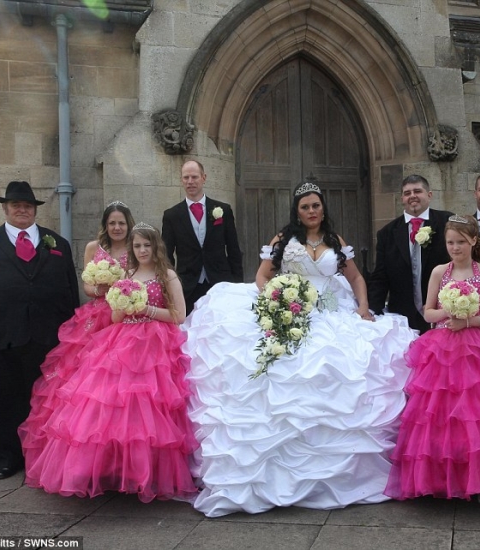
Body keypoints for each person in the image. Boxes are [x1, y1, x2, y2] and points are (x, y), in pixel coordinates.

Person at [184, 181, 418, 517]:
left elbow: (355, 279)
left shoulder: (336, 242)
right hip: (291, 307)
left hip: (331, 310)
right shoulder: (284, 239)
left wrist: (364, 308)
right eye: (305, 206)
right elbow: (263, 276)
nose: (312, 211)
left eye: (316, 206)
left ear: (324, 208)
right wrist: (277, 300)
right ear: (297, 211)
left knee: (340, 369)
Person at [18, 223, 198, 502]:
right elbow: (115, 317)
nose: (142, 250)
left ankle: (145, 472)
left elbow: (179, 315)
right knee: (108, 405)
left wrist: (146, 308)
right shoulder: (127, 274)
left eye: (146, 245)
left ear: (156, 247)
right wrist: (123, 304)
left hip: (156, 343)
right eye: (137, 246)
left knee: (149, 409)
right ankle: (112, 471)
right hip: (121, 340)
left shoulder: (167, 275)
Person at [384, 215, 480, 507]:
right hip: (442, 350)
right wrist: (449, 313)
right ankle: (438, 480)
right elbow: (427, 312)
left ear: (473, 241)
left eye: (460, 242)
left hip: (479, 349)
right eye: (450, 242)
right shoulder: (438, 272)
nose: (455, 248)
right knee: (439, 415)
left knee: (479, 415)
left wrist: (470, 320)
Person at [0, 181, 79, 480]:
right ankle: (6, 458)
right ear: (5, 208)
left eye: (27, 205)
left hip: (46, 335)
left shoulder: (57, 244)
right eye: (16, 205)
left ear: (35, 209)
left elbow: (69, 290)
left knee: (43, 398)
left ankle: (42, 453)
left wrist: (73, 329)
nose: (22, 210)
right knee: (0, 399)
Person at [19, 201, 135, 470]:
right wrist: (102, 288)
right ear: (105, 226)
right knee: (85, 384)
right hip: (95, 318)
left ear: (128, 224)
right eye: (112, 223)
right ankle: (83, 453)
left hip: (124, 317)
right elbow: (86, 285)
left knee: (119, 384)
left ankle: (118, 450)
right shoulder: (93, 249)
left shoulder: (135, 247)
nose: (117, 227)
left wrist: (124, 291)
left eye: (121, 223)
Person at [368, 174, 453, 333]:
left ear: (429, 195)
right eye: (407, 193)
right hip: (403, 315)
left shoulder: (447, 222)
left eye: (417, 191)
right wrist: (373, 310)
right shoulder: (386, 233)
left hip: (441, 314)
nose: (412, 196)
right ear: (402, 198)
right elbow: (380, 276)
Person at [162, 159, 244, 314]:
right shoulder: (172, 215)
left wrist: (236, 284)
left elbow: (233, 249)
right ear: (181, 180)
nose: (190, 182)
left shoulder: (223, 210)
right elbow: (166, 256)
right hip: (187, 286)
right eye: (186, 178)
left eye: (194, 177)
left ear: (203, 178)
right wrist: (171, 285)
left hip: (220, 283)